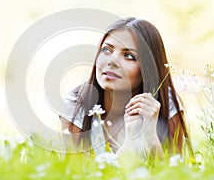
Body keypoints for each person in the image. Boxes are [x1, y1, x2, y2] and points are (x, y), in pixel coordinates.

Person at [59, 17, 192, 157]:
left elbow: (173, 173)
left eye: (129, 55)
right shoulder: (76, 105)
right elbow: (76, 174)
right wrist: (129, 143)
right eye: (107, 50)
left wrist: (151, 139)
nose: (112, 61)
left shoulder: (165, 102)